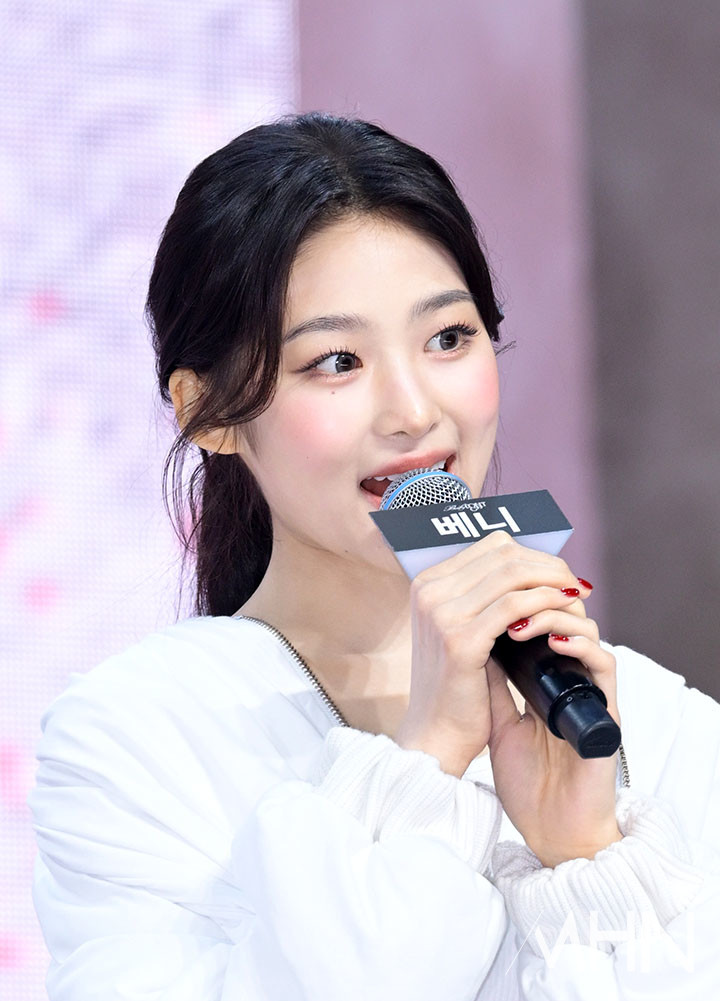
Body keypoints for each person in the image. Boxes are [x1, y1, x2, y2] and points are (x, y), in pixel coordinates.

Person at [28, 112, 720, 1000]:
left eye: (448, 339)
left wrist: (585, 856)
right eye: (336, 361)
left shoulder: (655, 727)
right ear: (206, 411)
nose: (414, 411)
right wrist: (422, 763)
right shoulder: (139, 738)